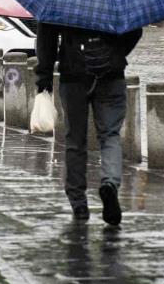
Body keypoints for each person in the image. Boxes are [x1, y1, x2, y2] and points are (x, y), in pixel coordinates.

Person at [35, 23, 142, 225]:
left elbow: (46, 37)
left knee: (75, 139)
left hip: (73, 73)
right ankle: (110, 183)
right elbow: (135, 29)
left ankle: (78, 202)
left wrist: (44, 77)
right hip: (111, 74)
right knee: (110, 135)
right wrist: (115, 53)